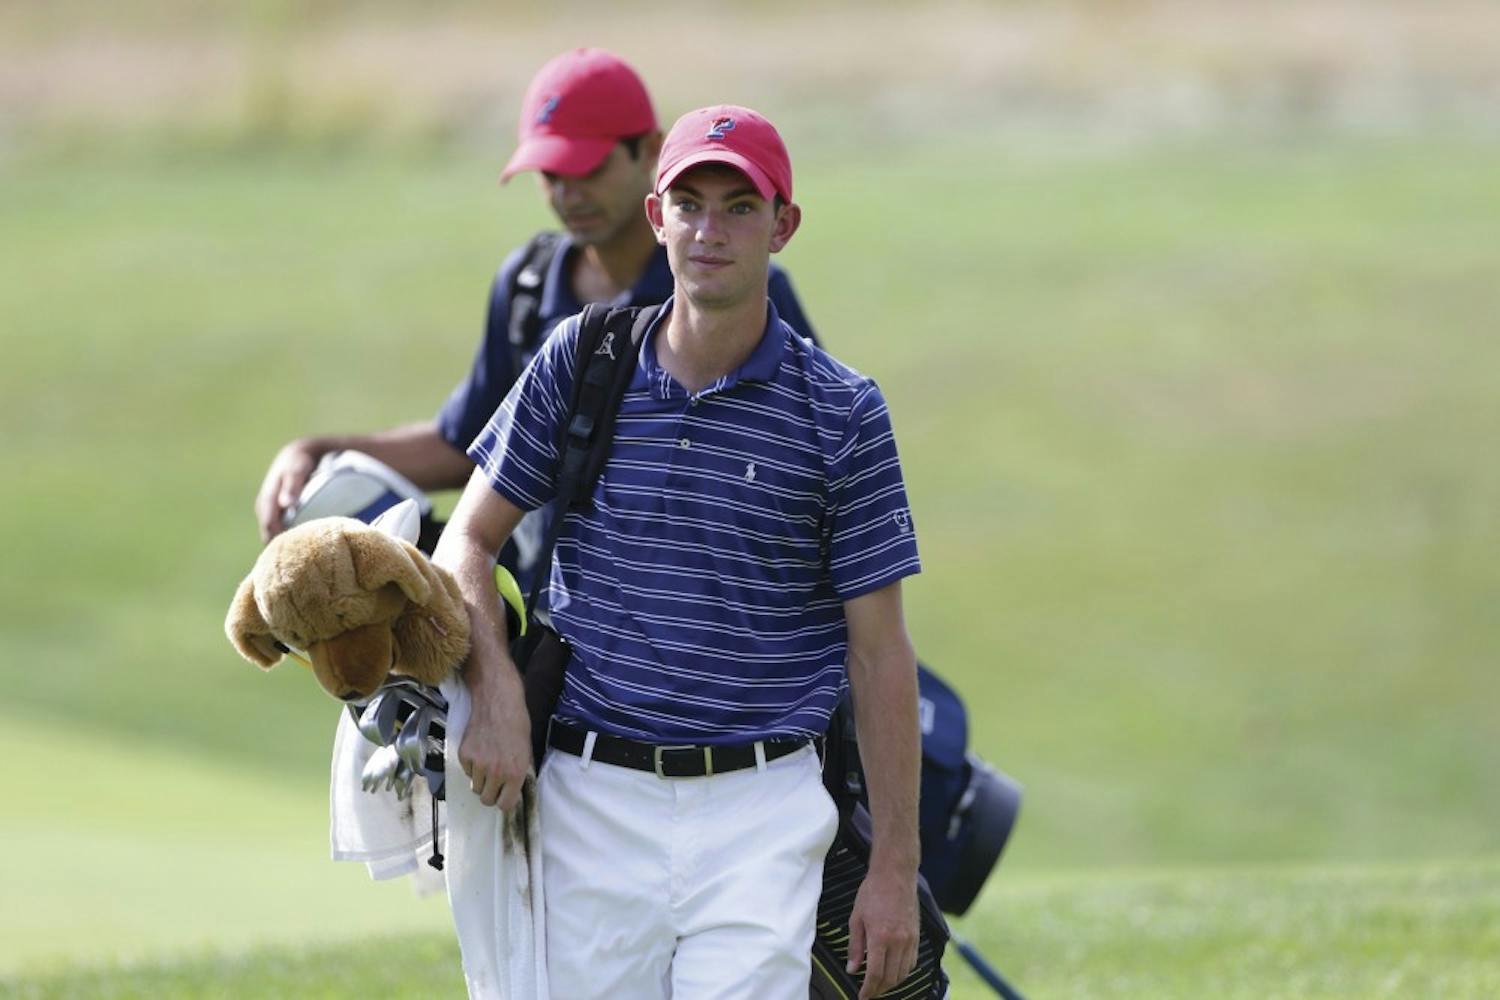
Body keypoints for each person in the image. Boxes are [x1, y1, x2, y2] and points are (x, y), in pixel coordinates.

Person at [433, 105, 921, 999]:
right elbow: (468, 537)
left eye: (740, 207)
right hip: (588, 799)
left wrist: (894, 866)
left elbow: (880, 652)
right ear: (657, 217)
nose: (709, 230)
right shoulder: (582, 359)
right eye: (689, 204)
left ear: (783, 225)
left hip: (763, 810)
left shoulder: (843, 412)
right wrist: (494, 689)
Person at [252, 48, 817, 582]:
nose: (570, 194)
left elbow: (812, 464)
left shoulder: (728, 287)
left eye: (588, 169)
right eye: (551, 175)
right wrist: (318, 452)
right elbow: (469, 444)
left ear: (648, 150)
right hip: (545, 615)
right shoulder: (527, 286)